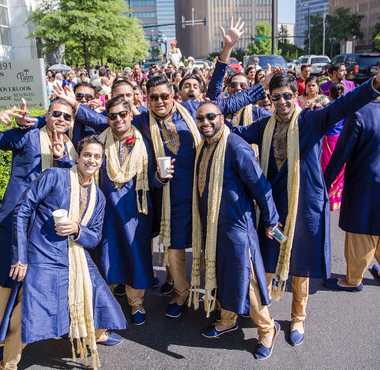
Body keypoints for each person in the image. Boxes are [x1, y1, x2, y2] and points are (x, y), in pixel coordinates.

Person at [69, 18, 271, 318]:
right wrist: (75, 108)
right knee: (175, 254)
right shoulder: (139, 122)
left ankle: (220, 297)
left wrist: (228, 49)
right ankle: (180, 292)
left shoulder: (193, 112)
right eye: (154, 98)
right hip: (170, 200)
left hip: (206, 194)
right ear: (147, 101)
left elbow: (220, 99)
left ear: (174, 96)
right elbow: (109, 122)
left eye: (165, 96)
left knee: (214, 249)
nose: (161, 101)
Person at [232, 52, 380, 346]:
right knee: (267, 259)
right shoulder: (263, 126)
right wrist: (207, 122)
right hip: (275, 207)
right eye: (275, 97)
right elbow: (233, 134)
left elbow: (345, 105)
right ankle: (264, 310)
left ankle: (298, 317)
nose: (282, 102)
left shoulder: (312, 120)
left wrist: (375, 83)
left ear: (295, 94)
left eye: (286, 96)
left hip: (306, 206)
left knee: (301, 265)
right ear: (269, 99)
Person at [11, 135, 127, 369]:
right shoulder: (55, 176)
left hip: (76, 256)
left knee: (104, 302)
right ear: (77, 156)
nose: (91, 160)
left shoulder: (99, 196)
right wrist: (20, 257)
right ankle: (8, 364)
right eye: (87, 155)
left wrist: (77, 229)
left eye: (97, 156)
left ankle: (93, 335)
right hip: (43, 255)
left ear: (102, 161)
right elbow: (22, 211)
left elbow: (94, 237)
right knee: (29, 313)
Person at [0, 97, 76, 370]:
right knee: (9, 284)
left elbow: (72, 183)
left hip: (45, 229)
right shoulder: (28, 135)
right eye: (56, 113)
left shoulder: (69, 146)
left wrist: (61, 158)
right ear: (46, 115)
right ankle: (0, 338)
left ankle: (25, 335)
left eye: (67, 117)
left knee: (34, 285)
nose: (61, 119)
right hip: (15, 222)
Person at [191, 102, 280, 360]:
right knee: (221, 273)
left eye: (211, 117)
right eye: (200, 118)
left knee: (248, 279)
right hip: (213, 226)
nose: (205, 122)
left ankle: (267, 328)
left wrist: (271, 220)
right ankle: (228, 319)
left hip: (237, 226)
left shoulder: (236, 146)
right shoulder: (204, 147)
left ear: (222, 118)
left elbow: (261, 186)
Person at [323, 76, 380, 292]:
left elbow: (340, 155)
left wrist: (324, 185)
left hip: (364, 181)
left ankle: (353, 279)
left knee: (360, 230)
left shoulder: (360, 113)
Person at [93, 96, 172, 326]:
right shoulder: (99, 142)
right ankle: (104, 304)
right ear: (107, 118)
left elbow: (152, 181)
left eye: (122, 114)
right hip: (106, 210)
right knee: (106, 257)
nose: (117, 119)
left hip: (136, 211)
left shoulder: (145, 142)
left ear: (130, 115)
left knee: (136, 256)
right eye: (112, 115)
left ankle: (136, 302)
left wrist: (160, 177)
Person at [320, 82, 344, 211]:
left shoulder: (327, 107)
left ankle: (327, 198)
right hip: (340, 139)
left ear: (330, 93)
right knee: (339, 168)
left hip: (328, 140)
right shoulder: (346, 108)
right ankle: (337, 199)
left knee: (327, 167)